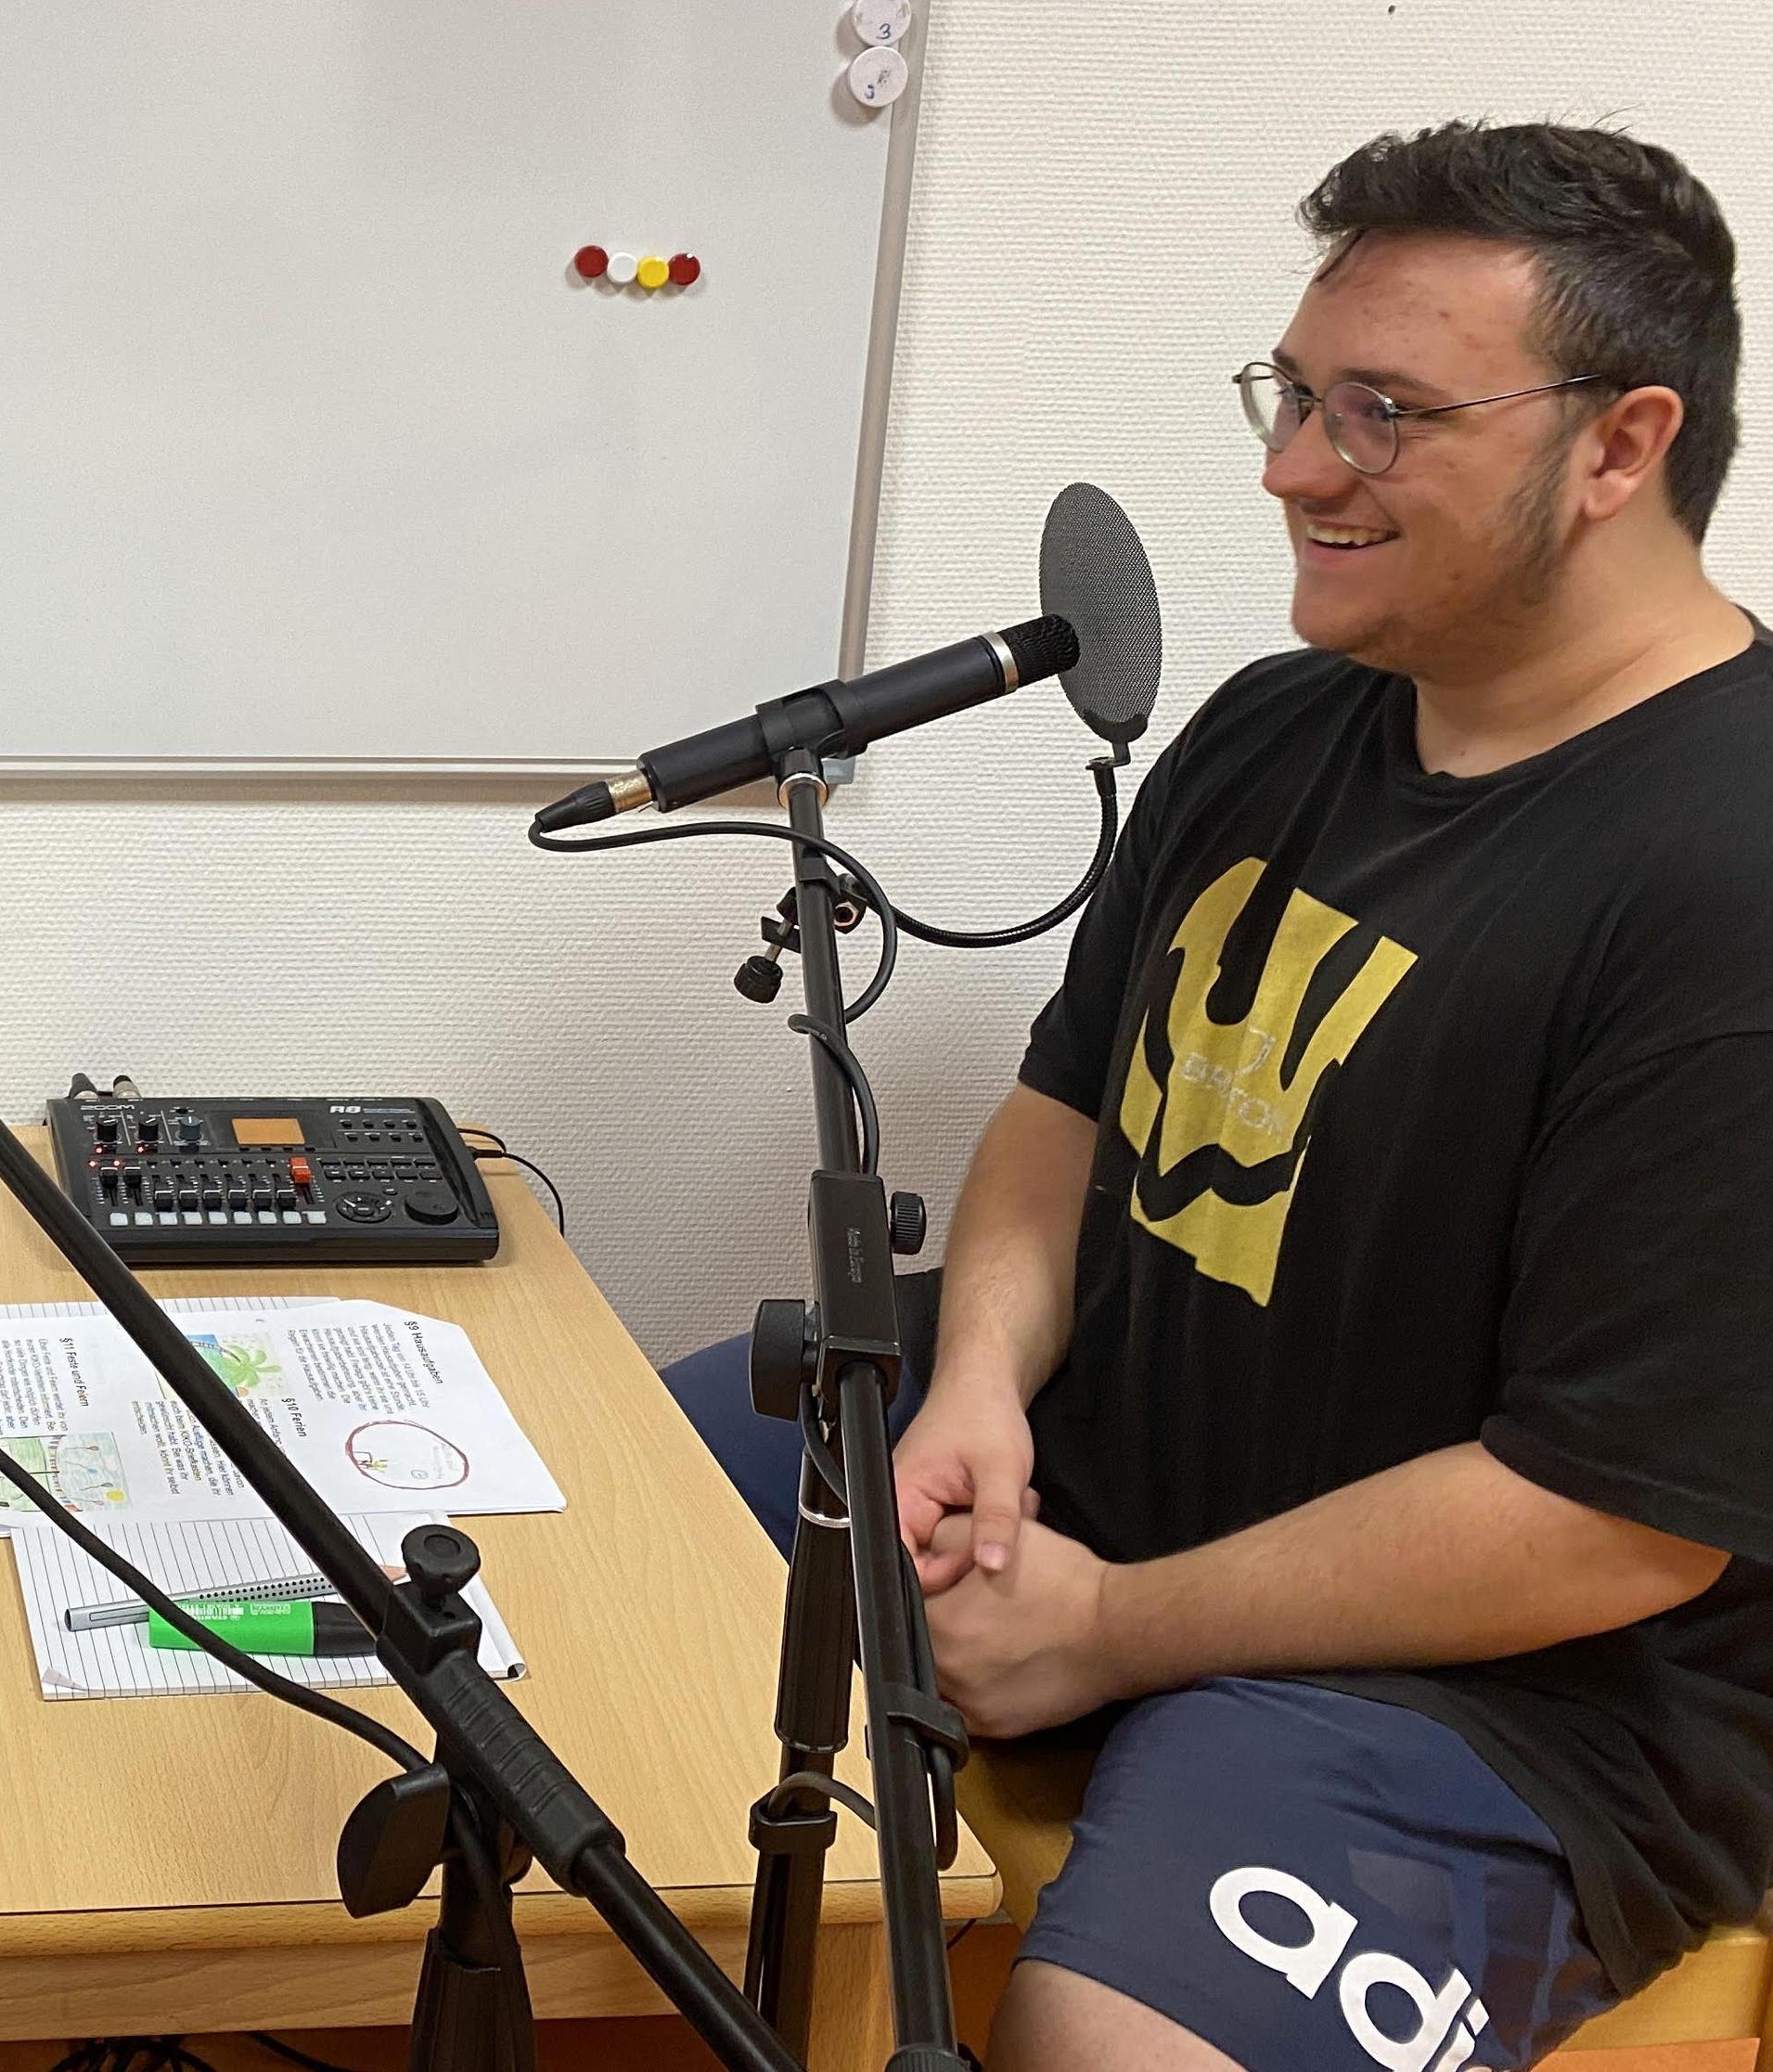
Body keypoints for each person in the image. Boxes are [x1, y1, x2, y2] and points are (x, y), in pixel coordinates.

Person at [667, 122, 1773, 2071]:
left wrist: (1108, 1628)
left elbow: (1610, 1525)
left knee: (1106, 2039)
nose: (1293, 470)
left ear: (1620, 446)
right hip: (1100, 1475)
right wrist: (979, 1384)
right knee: (572, 1508)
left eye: (1384, 414)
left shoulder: (1730, 873)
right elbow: (1066, 1118)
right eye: (1295, 394)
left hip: (1515, 1695)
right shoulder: (1281, 723)